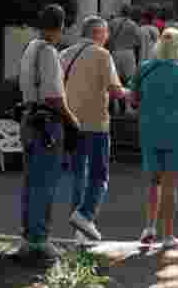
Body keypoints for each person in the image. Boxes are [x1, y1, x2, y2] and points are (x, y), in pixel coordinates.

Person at [60, 15, 131, 244]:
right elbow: (115, 89)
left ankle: (79, 229)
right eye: (106, 32)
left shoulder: (64, 54)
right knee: (99, 174)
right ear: (98, 33)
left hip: (70, 122)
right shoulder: (102, 55)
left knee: (78, 173)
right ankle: (85, 215)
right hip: (95, 122)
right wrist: (133, 94)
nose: (108, 37)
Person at [18, 4, 79, 263]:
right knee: (45, 182)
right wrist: (72, 120)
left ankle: (29, 236)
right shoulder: (49, 52)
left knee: (32, 182)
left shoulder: (31, 48)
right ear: (61, 26)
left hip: (29, 118)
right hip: (47, 122)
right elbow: (54, 96)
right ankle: (39, 240)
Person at [133, 27, 178, 249]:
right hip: (176, 133)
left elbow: (133, 98)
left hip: (149, 131)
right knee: (170, 186)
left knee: (153, 183)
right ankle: (168, 236)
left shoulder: (144, 68)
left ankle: (149, 227)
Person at [107, 6, 142, 101]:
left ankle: (115, 106)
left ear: (120, 12)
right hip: (128, 53)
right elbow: (138, 41)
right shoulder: (133, 24)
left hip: (115, 52)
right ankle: (128, 106)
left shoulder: (112, 23)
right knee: (130, 81)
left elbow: (107, 38)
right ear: (129, 13)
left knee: (114, 80)